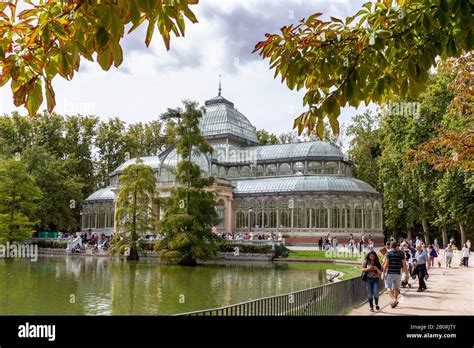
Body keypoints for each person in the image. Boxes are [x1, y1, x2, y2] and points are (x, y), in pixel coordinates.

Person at [383, 241, 409, 308]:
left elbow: (386, 264)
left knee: (388, 287)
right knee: (396, 288)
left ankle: (394, 300)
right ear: (397, 246)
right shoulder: (401, 253)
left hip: (390, 273)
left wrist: (383, 273)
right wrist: (406, 273)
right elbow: (404, 264)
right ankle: (395, 302)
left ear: (390, 246)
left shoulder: (388, 253)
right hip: (398, 273)